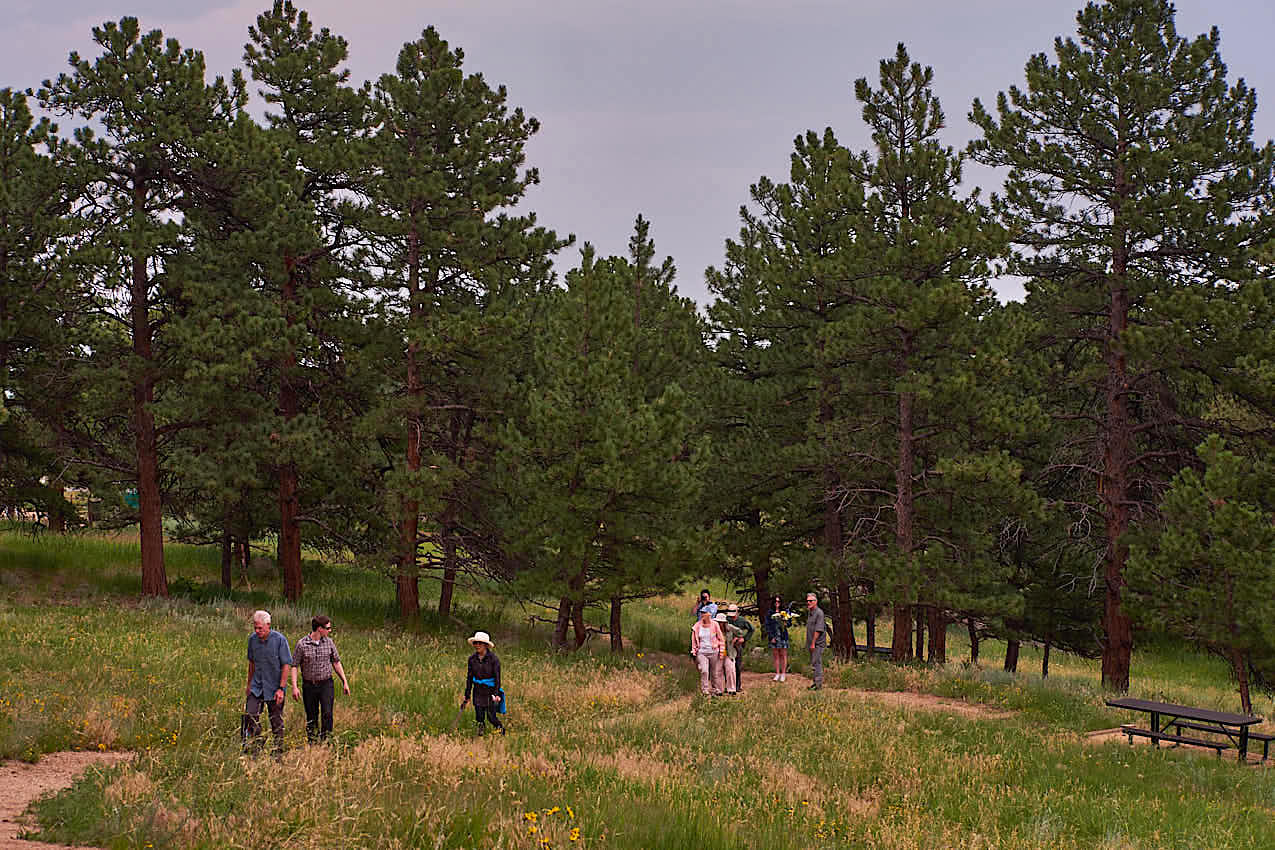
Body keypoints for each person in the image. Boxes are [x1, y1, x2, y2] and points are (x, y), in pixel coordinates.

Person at [290, 615, 350, 743]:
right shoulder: (302, 644)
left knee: (327, 713)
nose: (330, 631)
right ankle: (312, 741)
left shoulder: (329, 642)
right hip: (309, 685)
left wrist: (344, 681)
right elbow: (294, 665)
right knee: (312, 715)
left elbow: (336, 662)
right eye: (327, 628)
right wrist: (295, 687)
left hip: (326, 684)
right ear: (319, 629)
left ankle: (326, 741)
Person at [243, 609, 293, 755]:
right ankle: (257, 742)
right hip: (257, 686)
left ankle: (278, 751)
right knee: (250, 715)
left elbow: (286, 665)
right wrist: (249, 684)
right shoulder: (252, 640)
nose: (257, 631)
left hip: (274, 686)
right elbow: (251, 663)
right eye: (255, 628)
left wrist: (281, 688)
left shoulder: (279, 640)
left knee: (276, 721)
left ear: (268, 625)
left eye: (260, 628)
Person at [462, 631, 504, 735]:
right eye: (475, 643)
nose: (477, 645)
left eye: (480, 643)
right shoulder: (472, 659)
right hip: (478, 690)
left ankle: (501, 730)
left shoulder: (494, 659)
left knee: (491, 716)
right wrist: (467, 695)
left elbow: (497, 679)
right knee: (479, 716)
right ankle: (480, 733)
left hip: (490, 691)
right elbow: (470, 678)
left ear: (485, 645)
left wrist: (496, 694)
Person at [690, 608, 726, 696]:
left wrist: (721, 651)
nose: (702, 615)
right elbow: (694, 640)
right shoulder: (697, 626)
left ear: (709, 614)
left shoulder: (715, 625)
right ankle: (705, 690)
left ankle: (714, 689)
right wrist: (694, 651)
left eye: (704, 613)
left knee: (714, 672)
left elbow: (721, 639)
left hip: (713, 651)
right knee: (704, 671)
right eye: (701, 613)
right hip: (702, 651)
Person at [724, 603, 753, 693]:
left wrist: (744, 639)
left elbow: (751, 629)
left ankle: (737, 686)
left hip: (737, 645)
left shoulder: (742, 621)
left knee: (737, 666)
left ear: (737, 612)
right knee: (728, 666)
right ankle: (728, 685)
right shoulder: (727, 619)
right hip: (728, 645)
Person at [765, 595, 790, 682]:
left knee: (783, 654)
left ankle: (783, 673)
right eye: (775, 601)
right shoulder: (770, 612)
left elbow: (789, 624)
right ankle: (777, 673)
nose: (777, 603)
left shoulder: (785, 612)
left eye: (779, 601)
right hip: (774, 636)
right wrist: (771, 636)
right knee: (776, 655)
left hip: (783, 636)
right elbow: (767, 625)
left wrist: (785, 621)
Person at [806, 592, 826, 690]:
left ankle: (818, 686)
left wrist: (813, 643)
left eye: (811, 601)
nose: (808, 603)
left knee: (816, 663)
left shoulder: (819, 613)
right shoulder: (810, 612)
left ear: (816, 601)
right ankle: (815, 683)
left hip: (817, 644)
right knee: (813, 664)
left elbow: (818, 630)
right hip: (811, 643)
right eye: (807, 601)